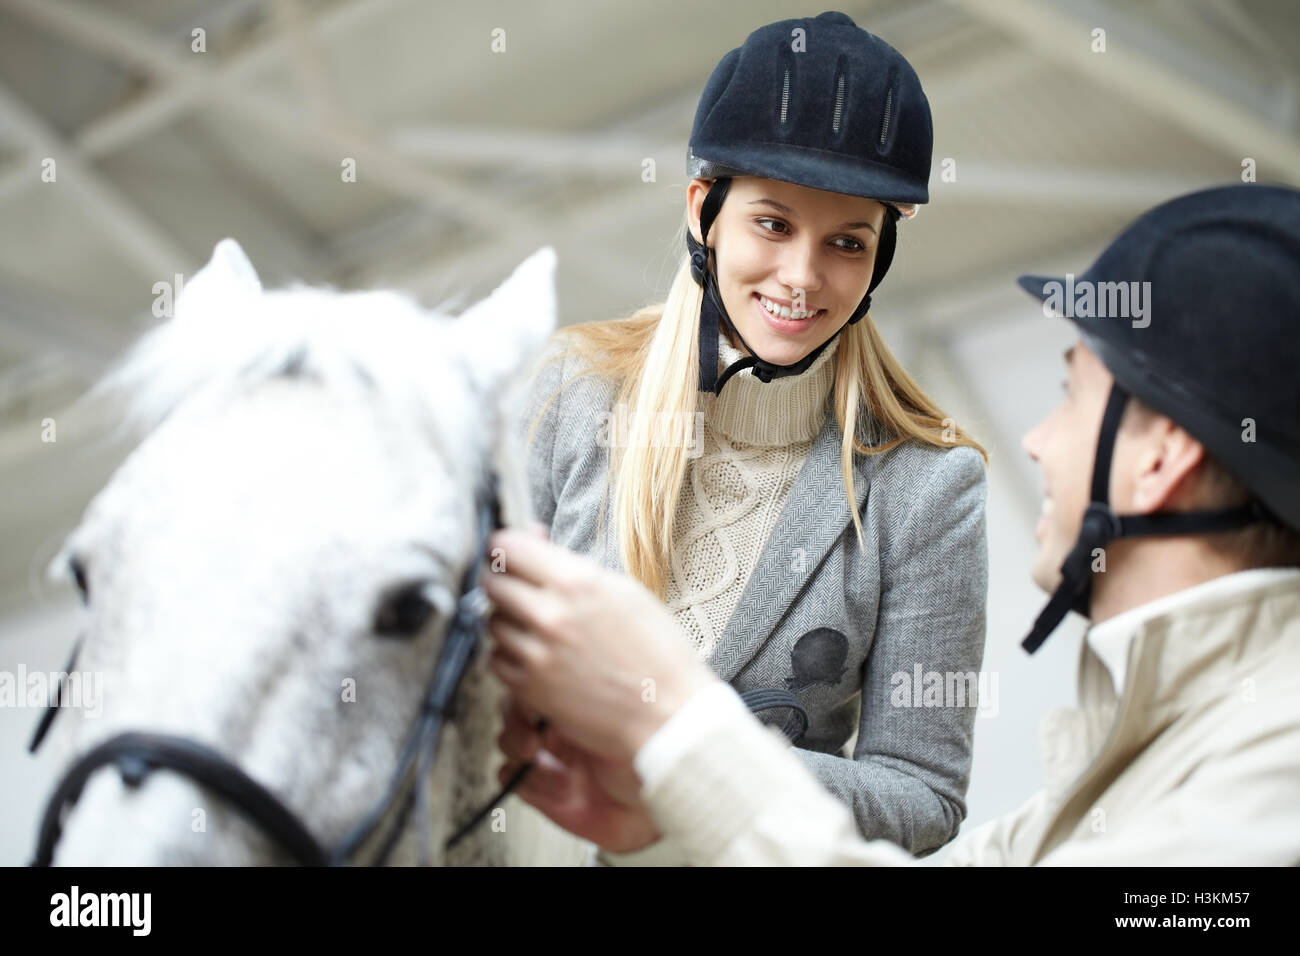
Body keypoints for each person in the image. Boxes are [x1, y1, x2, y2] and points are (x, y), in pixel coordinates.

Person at [487, 182, 1300, 865]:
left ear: (1162, 460)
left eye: (1072, 397)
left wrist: (677, 735)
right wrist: (670, 798)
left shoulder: (1273, 774)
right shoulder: (1138, 760)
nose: (1035, 440)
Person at [506, 11, 990, 861]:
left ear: (879, 259)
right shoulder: (572, 393)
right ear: (706, 212)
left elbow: (922, 797)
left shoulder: (930, 484)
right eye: (773, 224)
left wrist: (693, 751)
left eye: (847, 242)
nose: (803, 278)